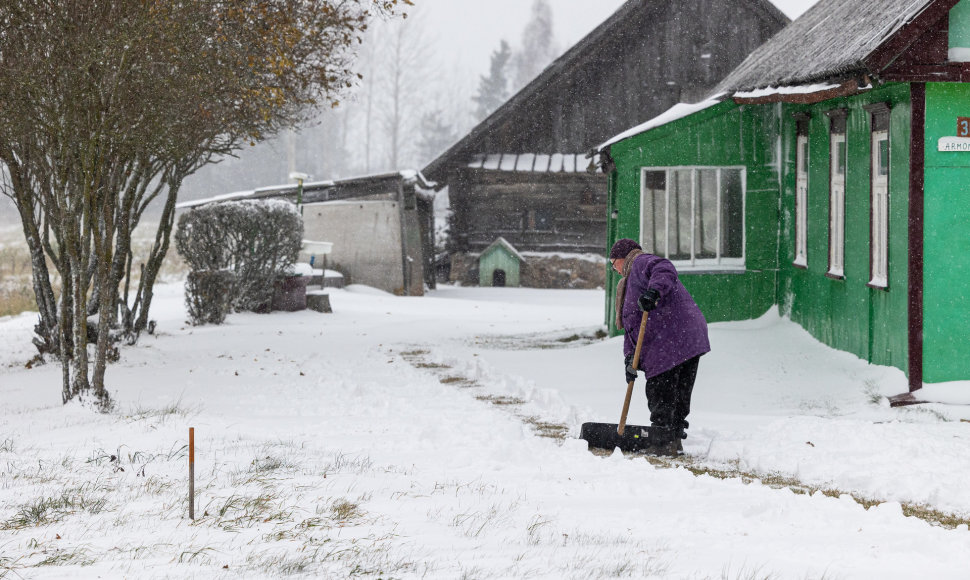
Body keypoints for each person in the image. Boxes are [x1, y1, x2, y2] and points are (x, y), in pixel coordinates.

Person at [609, 238, 710, 456]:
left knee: (660, 389)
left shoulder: (640, 262)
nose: (613, 269)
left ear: (621, 258)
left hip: (672, 336)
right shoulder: (629, 283)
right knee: (677, 391)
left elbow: (664, 268)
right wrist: (629, 358)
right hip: (687, 336)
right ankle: (672, 438)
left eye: (612, 263)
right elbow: (631, 326)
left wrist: (654, 291)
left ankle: (663, 438)